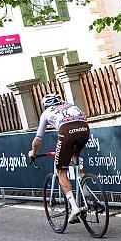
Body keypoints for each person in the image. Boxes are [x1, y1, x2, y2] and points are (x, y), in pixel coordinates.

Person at [28, 93, 90, 224]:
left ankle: (74, 208)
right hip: (84, 129)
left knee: (61, 171)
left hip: (66, 131)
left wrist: (33, 152)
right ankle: (84, 190)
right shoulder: (71, 105)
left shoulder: (46, 113)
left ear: (45, 105)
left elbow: (37, 140)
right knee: (75, 156)